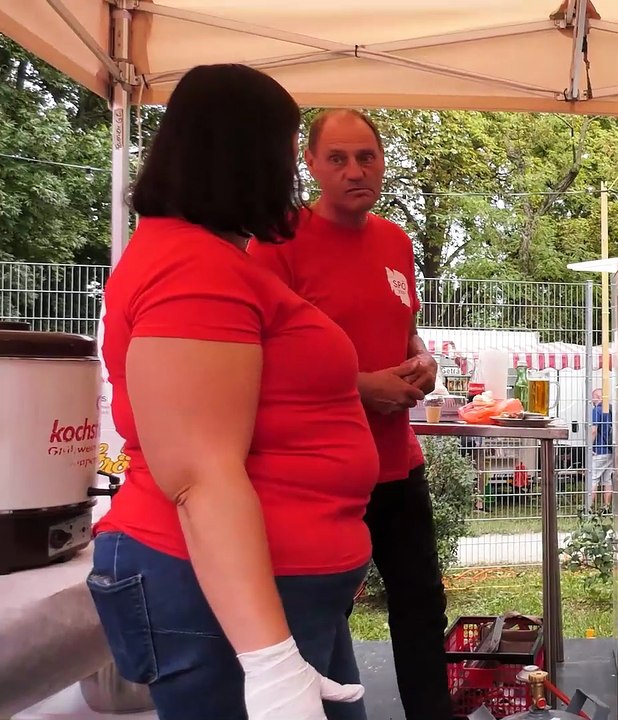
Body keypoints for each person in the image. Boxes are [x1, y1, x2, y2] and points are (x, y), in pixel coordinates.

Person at [89, 65, 376, 720]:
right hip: (222, 606)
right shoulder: (192, 267)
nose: (291, 176)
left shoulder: (208, 258)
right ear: (248, 155)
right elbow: (199, 475)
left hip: (262, 598)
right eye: (286, 151)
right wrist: (271, 663)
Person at [249, 109, 449, 720]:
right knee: (320, 615)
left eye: (366, 157)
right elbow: (256, 361)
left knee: (421, 605)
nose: (354, 171)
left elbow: (401, 330)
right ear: (309, 164)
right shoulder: (276, 241)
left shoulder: (395, 241)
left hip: (395, 463)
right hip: (318, 474)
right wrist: (360, 389)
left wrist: (423, 361)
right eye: (337, 158)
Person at [586, 388, 615, 511]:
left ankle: (589, 508)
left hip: (598, 450)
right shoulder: (611, 411)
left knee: (593, 479)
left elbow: (593, 430)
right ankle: (607, 507)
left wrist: (590, 447)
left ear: (597, 397)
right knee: (607, 480)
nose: (592, 400)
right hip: (610, 450)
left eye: (593, 397)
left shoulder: (596, 411)